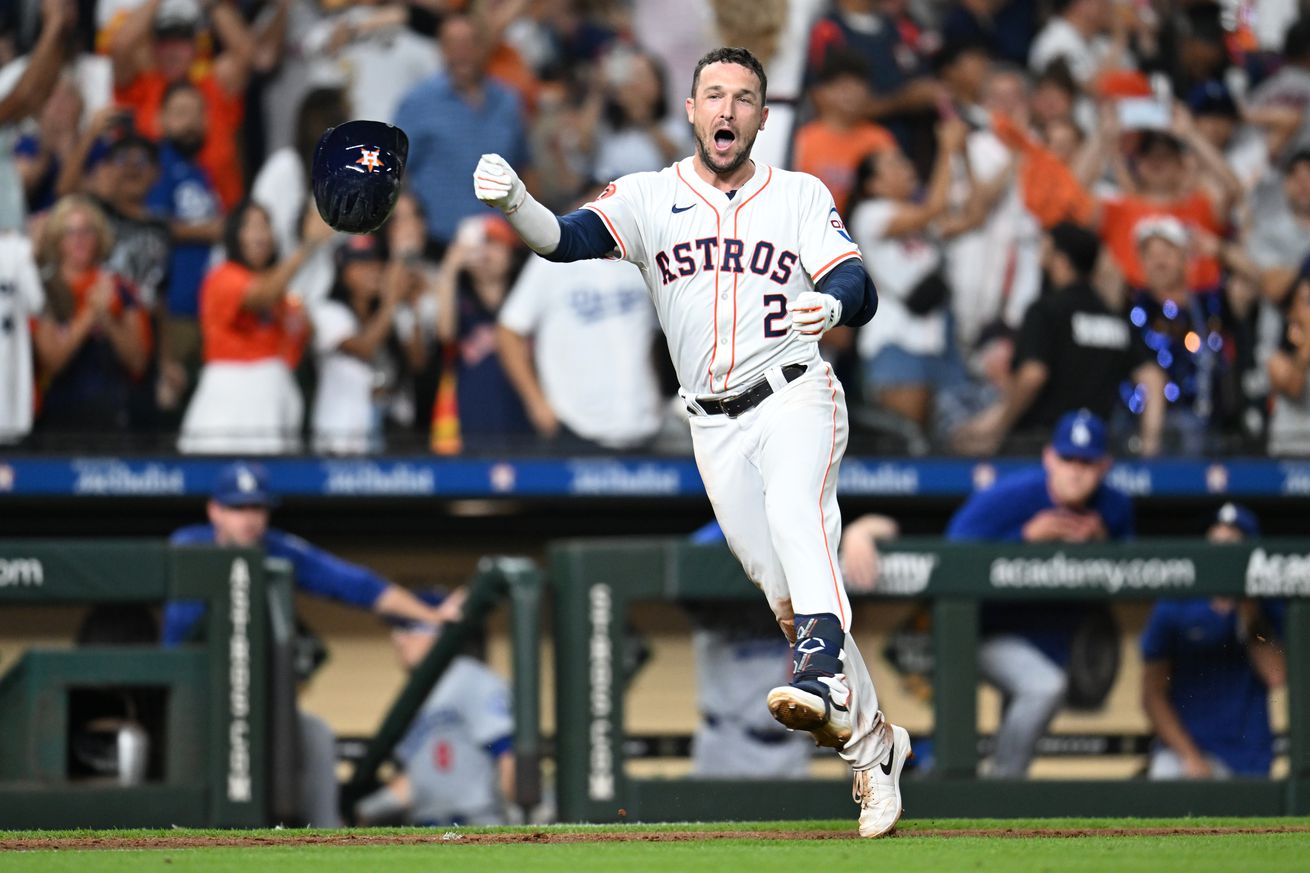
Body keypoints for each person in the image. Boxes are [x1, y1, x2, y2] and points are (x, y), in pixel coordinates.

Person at [473, 46, 908, 838]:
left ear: (763, 118)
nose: (728, 109)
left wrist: (833, 310)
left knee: (796, 517)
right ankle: (876, 748)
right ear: (692, 110)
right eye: (714, 94)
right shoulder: (648, 195)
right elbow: (564, 240)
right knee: (787, 597)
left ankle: (823, 676)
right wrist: (518, 205)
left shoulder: (799, 194)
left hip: (795, 392)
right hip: (711, 422)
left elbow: (857, 282)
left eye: (744, 97)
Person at [166, 461, 464, 826]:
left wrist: (431, 617)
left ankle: (325, 840)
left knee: (316, 736)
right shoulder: (187, 545)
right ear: (215, 511)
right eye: (237, 508)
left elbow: (355, 584)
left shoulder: (276, 550)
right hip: (193, 703)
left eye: (256, 508)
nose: (248, 519)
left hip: (258, 709)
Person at [947, 409, 1134, 778]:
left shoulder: (1113, 507)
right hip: (982, 633)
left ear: (1104, 467)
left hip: (1050, 641)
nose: (1075, 470)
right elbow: (951, 558)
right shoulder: (1009, 497)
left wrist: (1103, 543)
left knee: (1038, 686)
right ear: (1049, 457)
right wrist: (1025, 539)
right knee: (1044, 687)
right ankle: (1001, 788)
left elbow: (1134, 564)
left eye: (1087, 461)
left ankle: (1000, 794)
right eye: (1067, 459)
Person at [957, 222, 1164, 455]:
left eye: (1045, 253)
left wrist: (998, 426)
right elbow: (1153, 378)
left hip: (1042, 446)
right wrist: (1150, 445)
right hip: (1095, 449)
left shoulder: (1046, 311)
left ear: (1061, 261)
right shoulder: (1112, 317)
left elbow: (1032, 375)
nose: (1039, 262)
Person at [496, 194, 664, 451]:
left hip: (645, 428)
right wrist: (537, 405)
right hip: (578, 429)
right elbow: (509, 330)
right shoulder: (552, 259)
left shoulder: (640, 257)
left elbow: (653, 336)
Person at [1141, 502, 1286, 778]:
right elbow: (1152, 695)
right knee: (1166, 778)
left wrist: (1249, 612)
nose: (1221, 555)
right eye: (1215, 542)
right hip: (1185, 753)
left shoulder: (1266, 607)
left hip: (1248, 757)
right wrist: (1191, 757)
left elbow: (1276, 675)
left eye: (1232, 545)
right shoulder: (1175, 604)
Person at [177, 200, 330, 454]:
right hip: (231, 394)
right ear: (235, 234)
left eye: (266, 225)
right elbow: (260, 297)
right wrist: (308, 245)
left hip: (273, 393)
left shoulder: (282, 293)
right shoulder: (223, 276)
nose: (261, 234)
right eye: (252, 226)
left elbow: (298, 343)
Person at [353, 591, 514, 827]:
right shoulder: (417, 693)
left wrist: (519, 825)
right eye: (397, 630)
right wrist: (361, 812)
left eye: (409, 628)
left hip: (478, 826)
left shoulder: (471, 679)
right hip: (427, 828)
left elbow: (509, 757)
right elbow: (417, 780)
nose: (398, 639)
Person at [397, 13, 530, 249]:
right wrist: (408, 219)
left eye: (469, 43)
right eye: (453, 44)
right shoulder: (418, 102)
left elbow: (526, 167)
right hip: (438, 244)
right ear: (441, 50)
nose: (462, 52)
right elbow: (396, 168)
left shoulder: (508, 101)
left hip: (500, 245)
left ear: (484, 47)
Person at [31, 194, 152, 437]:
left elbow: (138, 361)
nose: (80, 241)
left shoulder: (119, 288)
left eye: (87, 231)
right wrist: (90, 314)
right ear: (57, 240)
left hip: (112, 414)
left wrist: (107, 319)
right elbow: (53, 362)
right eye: (71, 232)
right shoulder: (43, 289)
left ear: (99, 237)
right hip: (56, 417)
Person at [310, 233, 409, 455]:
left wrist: (409, 302)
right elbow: (364, 347)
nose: (373, 271)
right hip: (337, 438)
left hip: (384, 434)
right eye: (362, 264)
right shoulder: (328, 311)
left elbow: (418, 361)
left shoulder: (388, 314)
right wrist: (391, 300)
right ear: (343, 271)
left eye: (376, 264)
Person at [0, 230, 44, 444]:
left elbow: (36, 305)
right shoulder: (18, 248)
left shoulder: (19, 249)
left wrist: (34, 261)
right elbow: (37, 303)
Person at [1268, 262, 1310, 455]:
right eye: (1306, 302)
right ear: (1293, 310)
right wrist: (1306, 347)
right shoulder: (1278, 355)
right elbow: (1294, 388)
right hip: (1290, 452)